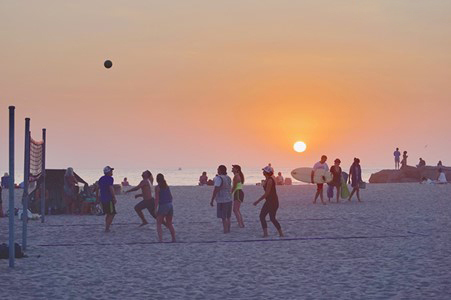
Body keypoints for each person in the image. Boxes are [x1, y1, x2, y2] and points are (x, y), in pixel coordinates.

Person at [254, 166, 283, 237]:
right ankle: (266, 234)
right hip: (269, 201)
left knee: (272, 218)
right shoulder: (266, 179)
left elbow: (267, 193)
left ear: (267, 172)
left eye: (264, 171)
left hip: (273, 201)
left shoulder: (270, 180)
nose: (263, 172)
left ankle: (281, 233)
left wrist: (257, 201)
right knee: (262, 216)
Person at [210, 165, 232, 234]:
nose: (217, 170)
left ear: (220, 170)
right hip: (229, 198)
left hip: (222, 199)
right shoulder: (228, 177)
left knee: (223, 217)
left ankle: (225, 230)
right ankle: (228, 229)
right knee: (228, 216)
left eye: (218, 169)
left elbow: (216, 189)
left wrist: (212, 199)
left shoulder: (219, 178)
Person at [155, 174, 176, 242]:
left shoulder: (157, 187)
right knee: (169, 223)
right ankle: (173, 239)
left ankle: (160, 239)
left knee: (158, 223)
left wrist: (155, 208)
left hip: (163, 205)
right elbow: (171, 197)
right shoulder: (166, 186)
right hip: (170, 205)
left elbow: (157, 199)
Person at [97, 166, 117, 232]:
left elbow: (98, 188)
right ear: (108, 172)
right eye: (111, 171)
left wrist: (98, 197)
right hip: (108, 198)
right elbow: (111, 188)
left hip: (102, 198)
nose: (112, 172)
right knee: (112, 213)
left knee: (108, 213)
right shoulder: (110, 178)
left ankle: (107, 226)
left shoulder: (101, 178)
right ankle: (107, 228)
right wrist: (114, 197)